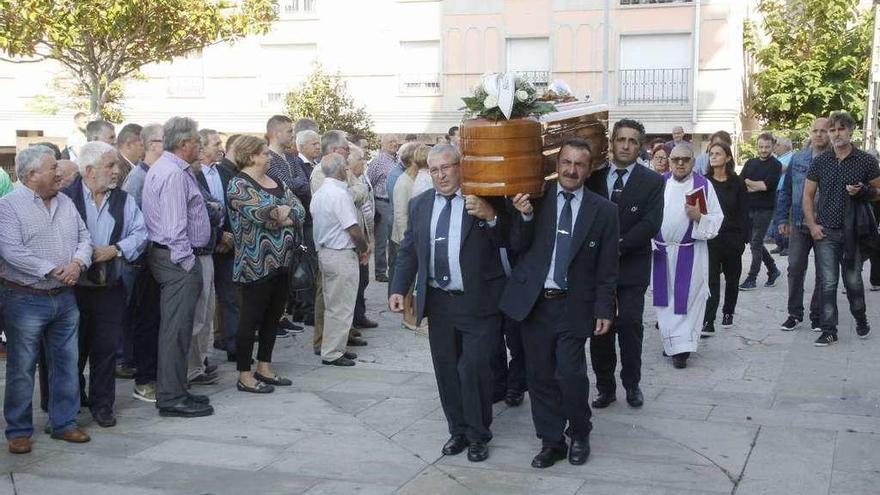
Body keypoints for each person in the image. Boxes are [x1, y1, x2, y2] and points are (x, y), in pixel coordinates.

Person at [503, 138, 619, 468]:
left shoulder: (604, 211)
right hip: (536, 304)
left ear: (589, 167)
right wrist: (523, 217)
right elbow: (516, 247)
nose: (571, 169)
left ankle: (580, 433)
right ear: (557, 165)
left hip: (574, 305)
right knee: (539, 376)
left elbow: (608, 267)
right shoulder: (535, 200)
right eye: (566, 162)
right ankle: (551, 441)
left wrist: (604, 308)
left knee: (570, 374)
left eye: (579, 164)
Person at [390, 143, 507, 463]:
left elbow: (512, 241)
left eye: (447, 167)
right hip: (439, 303)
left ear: (461, 166)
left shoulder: (483, 198)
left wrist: (492, 217)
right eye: (435, 169)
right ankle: (458, 431)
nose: (441, 175)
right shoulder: (420, 204)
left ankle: (479, 434)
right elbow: (409, 250)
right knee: (446, 369)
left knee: (473, 368)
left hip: (478, 302)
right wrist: (398, 288)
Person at [0, 145, 93, 454]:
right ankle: (19, 430)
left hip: (65, 298)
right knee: (22, 366)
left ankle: (64, 422)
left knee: (66, 362)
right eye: (52, 168)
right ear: (31, 175)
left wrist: (77, 264)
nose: (58, 173)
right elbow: (12, 251)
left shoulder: (66, 201)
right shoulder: (8, 207)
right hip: (25, 298)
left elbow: (85, 238)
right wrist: (54, 270)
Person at [62, 141, 147, 427]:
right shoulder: (65, 198)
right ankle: (69, 405)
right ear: (89, 170)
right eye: (109, 166)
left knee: (106, 348)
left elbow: (141, 233)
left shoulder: (124, 200)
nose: (116, 171)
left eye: (116, 166)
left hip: (109, 286)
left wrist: (117, 249)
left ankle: (103, 405)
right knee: (71, 350)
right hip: (72, 288)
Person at [586, 118, 664, 410]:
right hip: (596, 269)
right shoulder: (593, 177)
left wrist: (616, 246)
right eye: (621, 139)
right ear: (612, 143)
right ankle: (605, 387)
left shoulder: (653, 181)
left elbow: (651, 223)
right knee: (600, 327)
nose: (626, 145)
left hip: (632, 266)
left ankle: (632, 384)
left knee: (630, 324)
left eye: (633, 141)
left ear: (640, 146)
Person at [142, 116, 214, 418]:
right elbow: (174, 230)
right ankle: (171, 397)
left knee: (180, 330)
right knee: (176, 330)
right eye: (197, 141)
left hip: (176, 259)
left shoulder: (173, 169)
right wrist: (188, 264)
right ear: (184, 144)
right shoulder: (172, 173)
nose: (200, 146)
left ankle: (177, 389)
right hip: (177, 261)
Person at [227, 135, 304, 393]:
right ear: (251, 157)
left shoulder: (277, 181)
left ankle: (264, 366)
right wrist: (278, 213)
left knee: (273, 317)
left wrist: (283, 214)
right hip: (255, 264)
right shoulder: (238, 185)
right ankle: (244, 374)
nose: (269, 157)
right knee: (250, 319)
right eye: (265, 153)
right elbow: (261, 214)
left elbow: (300, 210)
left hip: (283, 262)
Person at [803, 111, 880, 346]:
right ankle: (829, 330)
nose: (836, 134)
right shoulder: (820, 161)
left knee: (853, 282)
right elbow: (808, 195)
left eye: (841, 129)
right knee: (827, 282)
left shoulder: (866, 160)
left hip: (853, 233)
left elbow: (879, 193)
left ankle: (861, 319)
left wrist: (863, 192)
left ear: (851, 130)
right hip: (825, 232)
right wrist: (813, 225)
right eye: (832, 130)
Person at [653, 145, 724, 368]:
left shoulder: (703, 186)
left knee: (688, 299)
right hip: (662, 251)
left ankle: (681, 350)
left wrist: (699, 217)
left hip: (690, 251)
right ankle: (671, 342)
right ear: (669, 162)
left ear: (693, 162)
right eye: (675, 159)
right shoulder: (659, 183)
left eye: (685, 159)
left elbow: (717, 219)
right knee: (665, 301)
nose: (680, 163)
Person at [312, 153, 369, 366]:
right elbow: (353, 228)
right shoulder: (339, 193)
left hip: (326, 252)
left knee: (332, 303)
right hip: (340, 253)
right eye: (345, 166)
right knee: (341, 305)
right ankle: (333, 352)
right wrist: (363, 248)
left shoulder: (320, 193)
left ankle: (334, 346)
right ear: (339, 169)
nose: (347, 169)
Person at [121, 123, 164, 403]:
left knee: (156, 322)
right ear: (149, 144)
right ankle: (144, 379)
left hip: (157, 262)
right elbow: (131, 222)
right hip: (141, 263)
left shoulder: (159, 173)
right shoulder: (138, 177)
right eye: (162, 141)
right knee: (145, 323)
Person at [776, 118, 829, 332]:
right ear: (810, 132)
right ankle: (794, 314)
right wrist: (782, 219)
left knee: (824, 273)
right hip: (798, 223)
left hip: (826, 225)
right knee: (795, 268)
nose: (819, 135)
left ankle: (817, 315)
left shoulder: (836, 159)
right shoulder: (799, 158)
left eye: (823, 131)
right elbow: (786, 190)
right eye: (815, 131)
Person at [266, 115, 311, 332]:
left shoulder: (292, 159)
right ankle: (271, 319)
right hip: (279, 224)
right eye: (288, 131)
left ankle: (282, 314)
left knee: (288, 271)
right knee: (276, 272)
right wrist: (295, 185)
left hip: (295, 221)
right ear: (275, 133)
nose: (292, 135)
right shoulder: (268, 159)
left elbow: (303, 183)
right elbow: (287, 185)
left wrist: (295, 185)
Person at [197, 129, 239, 362]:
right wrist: (218, 236)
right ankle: (201, 357)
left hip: (227, 245)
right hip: (204, 245)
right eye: (215, 143)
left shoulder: (223, 172)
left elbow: (232, 207)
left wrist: (228, 236)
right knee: (204, 301)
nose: (220, 147)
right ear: (201, 149)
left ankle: (234, 346)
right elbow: (198, 212)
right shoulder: (192, 175)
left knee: (230, 297)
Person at [703, 142, 748, 336]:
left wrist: (742, 240)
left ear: (727, 157)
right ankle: (708, 319)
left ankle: (728, 312)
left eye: (718, 154)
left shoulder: (737, 182)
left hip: (732, 238)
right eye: (711, 154)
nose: (713, 157)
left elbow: (744, 212)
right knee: (711, 280)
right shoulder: (703, 181)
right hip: (711, 238)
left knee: (732, 278)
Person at [739, 132, 782, 290]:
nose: (764, 150)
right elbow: (740, 183)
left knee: (756, 243)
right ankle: (773, 269)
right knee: (754, 242)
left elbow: (765, 186)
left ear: (773, 146)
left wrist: (750, 182)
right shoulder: (750, 162)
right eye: (761, 147)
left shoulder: (776, 165)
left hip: (764, 209)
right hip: (748, 207)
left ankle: (752, 278)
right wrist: (752, 185)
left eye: (767, 147)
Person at [366, 134, 400, 282]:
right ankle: (380, 271)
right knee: (382, 239)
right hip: (382, 203)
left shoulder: (397, 160)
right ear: (383, 144)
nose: (394, 144)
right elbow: (369, 182)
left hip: (394, 203)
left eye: (396, 142)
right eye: (391, 141)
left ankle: (393, 268)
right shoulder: (378, 161)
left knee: (394, 238)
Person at [769, 137, 794, 255]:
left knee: (784, 218)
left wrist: (769, 162)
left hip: (784, 192)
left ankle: (788, 245)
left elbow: (781, 169)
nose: (775, 147)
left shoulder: (790, 157)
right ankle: (779, 244)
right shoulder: (779, 158)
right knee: (776, 218)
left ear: (786, 146)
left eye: (778, 145)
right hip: (775, 191)